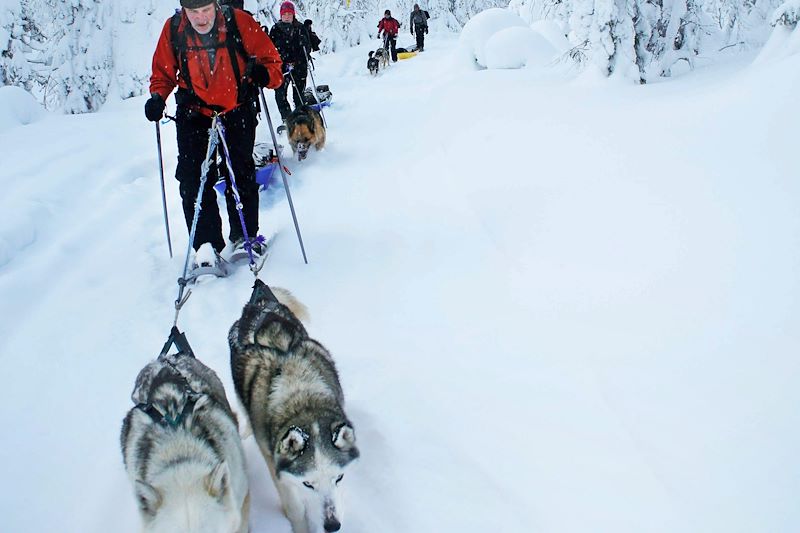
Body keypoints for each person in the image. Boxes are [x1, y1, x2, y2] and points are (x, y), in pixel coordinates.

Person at [145, 0, 283, 267]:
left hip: (237, 109)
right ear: (184, 11)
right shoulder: (174, 29)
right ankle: (206, 246)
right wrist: (157, 98)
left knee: (240, 173)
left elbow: (274, 66)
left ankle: (245, 236)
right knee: (191, 178)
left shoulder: (239, 23)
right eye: (193, 12)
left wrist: (264, 74)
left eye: (205, 10)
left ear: (215, 5)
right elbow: (162, 74)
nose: (200, 18)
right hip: (193, 114)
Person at [270, 1, 311, 124]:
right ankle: (287, 119)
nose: (287, 16)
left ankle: (301, 119)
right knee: (280, 94)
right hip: (281, 67)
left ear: (293, 14)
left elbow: (307, 48)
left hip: (299, 66)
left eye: (289, 13)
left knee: (298, 94)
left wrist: (304, 43)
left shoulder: (300, 28)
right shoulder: (275, 29)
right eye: (284, 14)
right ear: (281, 15)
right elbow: (269, 48)